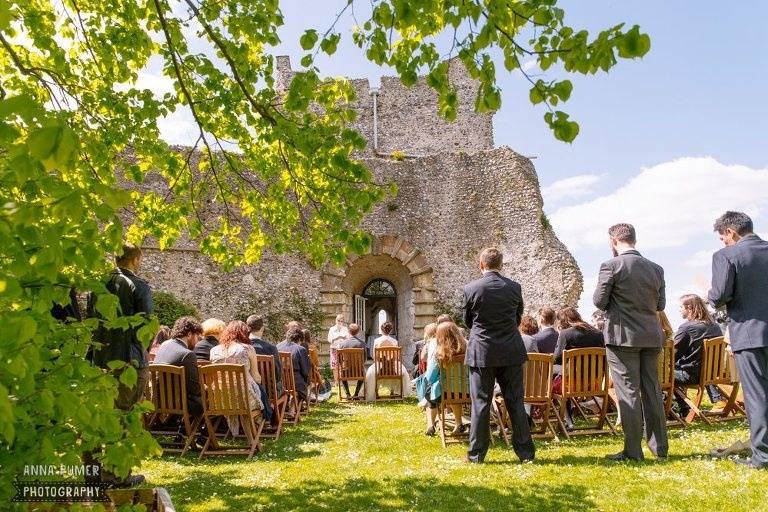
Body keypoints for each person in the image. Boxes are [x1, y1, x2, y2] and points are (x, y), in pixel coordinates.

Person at [593, 223, 668, 462]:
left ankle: (633, 451)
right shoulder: (656, 268)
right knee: (652, 391)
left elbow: (599, 301)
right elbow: (660, 305)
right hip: (650, 335)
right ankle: (660, 448)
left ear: (614, 241)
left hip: (622, 336)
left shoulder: (611, 266)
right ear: (633, 239)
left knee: (628, 392)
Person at [85, 243, 153, 487]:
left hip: (98, 362)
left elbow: (91, 324)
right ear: (135, 260)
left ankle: (93, 475)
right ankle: (119, 475)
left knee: (95, 418)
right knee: (124, 418)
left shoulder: (96, 288)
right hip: (129, 362)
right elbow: (147, 328)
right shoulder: (139, 285)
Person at [463, 247, 534, 464]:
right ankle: (525, 454)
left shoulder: (471, 288)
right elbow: (517, 318)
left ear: (481, 264)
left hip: (482, 351)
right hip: (510, 350)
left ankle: (476, 455)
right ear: (500, 265)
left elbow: (468, 321)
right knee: (515, 402)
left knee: (481, 403)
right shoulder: (514, 288)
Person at [708, 211, 768, 469]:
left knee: (757, 396)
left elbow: (720, 294)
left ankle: (763, 456)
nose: (723, 242)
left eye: (723, 238)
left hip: (750, 333)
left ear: (731, 232)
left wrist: (710, 295)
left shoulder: (726, 256)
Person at [673, 294, 727, 417]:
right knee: (699, 365)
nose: (679, 310)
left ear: (689, 307)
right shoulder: (715, 326)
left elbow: (672, 356)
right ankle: (718, 400)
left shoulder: (686, 328)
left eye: (681, 307)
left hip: (691, 375)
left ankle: (684, 408)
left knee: (661, 374)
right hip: (711, 374)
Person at [209, 320, 265, 428]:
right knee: (258, 390)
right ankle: (259, 422)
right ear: (244, 334)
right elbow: (256, 377)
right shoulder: (248, 349)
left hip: (220, 399)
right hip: (245, 400)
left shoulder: (214, 350)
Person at [419, 321, 468, 436]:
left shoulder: (440, 352)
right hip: (468, 391)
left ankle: (430, 425)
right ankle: (459, 423)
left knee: (430, 393)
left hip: (446, 392)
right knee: (456, 391)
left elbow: (430, 377)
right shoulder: (468, 347)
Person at [153, 316, 204, 416]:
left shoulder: (163, 347)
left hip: (158, 401)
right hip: (180, 404)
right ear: (189, 334)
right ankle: (207, 430)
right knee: (211, 398)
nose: (197, 341)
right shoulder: (187, 354)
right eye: (197, 336)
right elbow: (194, 389)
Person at [364, 321, 412, 401]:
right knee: (402, 372)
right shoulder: (394, 341)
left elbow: (373, 356)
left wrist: (380, 360)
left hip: (380, 365)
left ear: (381, 330)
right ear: (390, 330)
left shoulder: (377, 341)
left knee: (370, 373)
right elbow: (396, 357)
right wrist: (391, 360)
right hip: (392, 365)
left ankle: (376, 392)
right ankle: (393, 392)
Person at [552, 307, 604, 372]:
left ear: (562, 321)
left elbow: (557, 359)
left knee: (552, 369)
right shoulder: (598, 333)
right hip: (596, 378)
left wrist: (560, 334)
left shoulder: (565, 334)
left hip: (573, 379)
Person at [246, 314, 284, 395]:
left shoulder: (241, 348)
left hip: (249, 390)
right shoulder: (270, 348)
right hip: (269, 390)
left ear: (247, 328)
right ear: (262, 328)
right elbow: (278, 373)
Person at [277, 328, 312, 402]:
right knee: (305, 382)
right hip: (296, 384)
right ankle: (293, 407)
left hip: (280, 383)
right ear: (299, 339)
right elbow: (305, 372)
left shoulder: (277, 347)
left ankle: (289, 406)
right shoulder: (300, 349)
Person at [336, 323, 367, 399]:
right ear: (358, 332)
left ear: (348, 331)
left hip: (346, 371)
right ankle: (356, 394)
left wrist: (342, 365)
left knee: (342, 374)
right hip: (358, 371)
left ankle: (348, 394)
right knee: (363, 373)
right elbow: (364, 359)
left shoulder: (342, 344)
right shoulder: (362, 344)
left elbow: (339, 359)